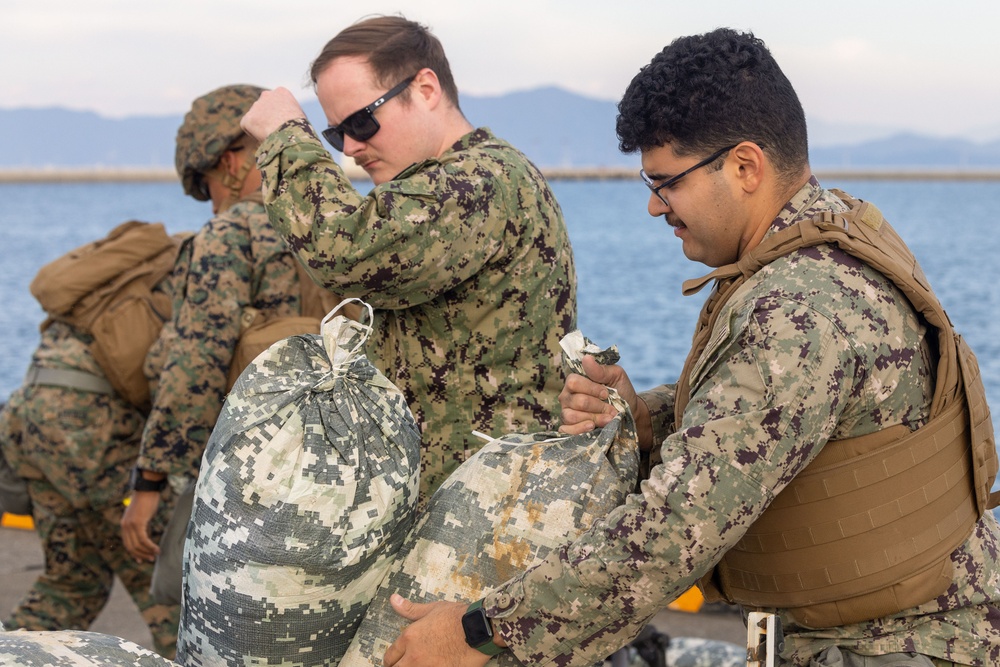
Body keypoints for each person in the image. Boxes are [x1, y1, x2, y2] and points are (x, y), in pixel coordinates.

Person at [380, 28, 1000, 667]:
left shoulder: (795, 310)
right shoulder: (839, 233)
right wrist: (646, 419)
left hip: (895, 647)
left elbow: (671, 531)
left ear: (745, 167)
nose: (653, 207)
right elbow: (787, 421)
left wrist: (482, 631)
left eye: (666, 182)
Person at [239, 15, 578, 500]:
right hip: (459, 502)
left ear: (424, 88)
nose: (352, 148)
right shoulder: (455, 182)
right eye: (336, 134)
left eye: (361, 121)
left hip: (486, 511)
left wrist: (286, 135)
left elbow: (342, 250)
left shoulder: (478, 182)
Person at [120, 84, 340, 563]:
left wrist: (149, 481)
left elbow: (194, 362)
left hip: (256, 468)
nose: (212, 201)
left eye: (206, 187)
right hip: (342, 460)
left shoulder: (229, 234)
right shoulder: (333, 221)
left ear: (229, 162)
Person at [0, 269, 181, 657]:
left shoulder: (104, 288)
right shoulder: (185, 287)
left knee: (73, 582)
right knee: (166, 584)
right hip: (86, 433)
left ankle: (10, 655)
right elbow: (179, 379)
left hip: (27, 418)